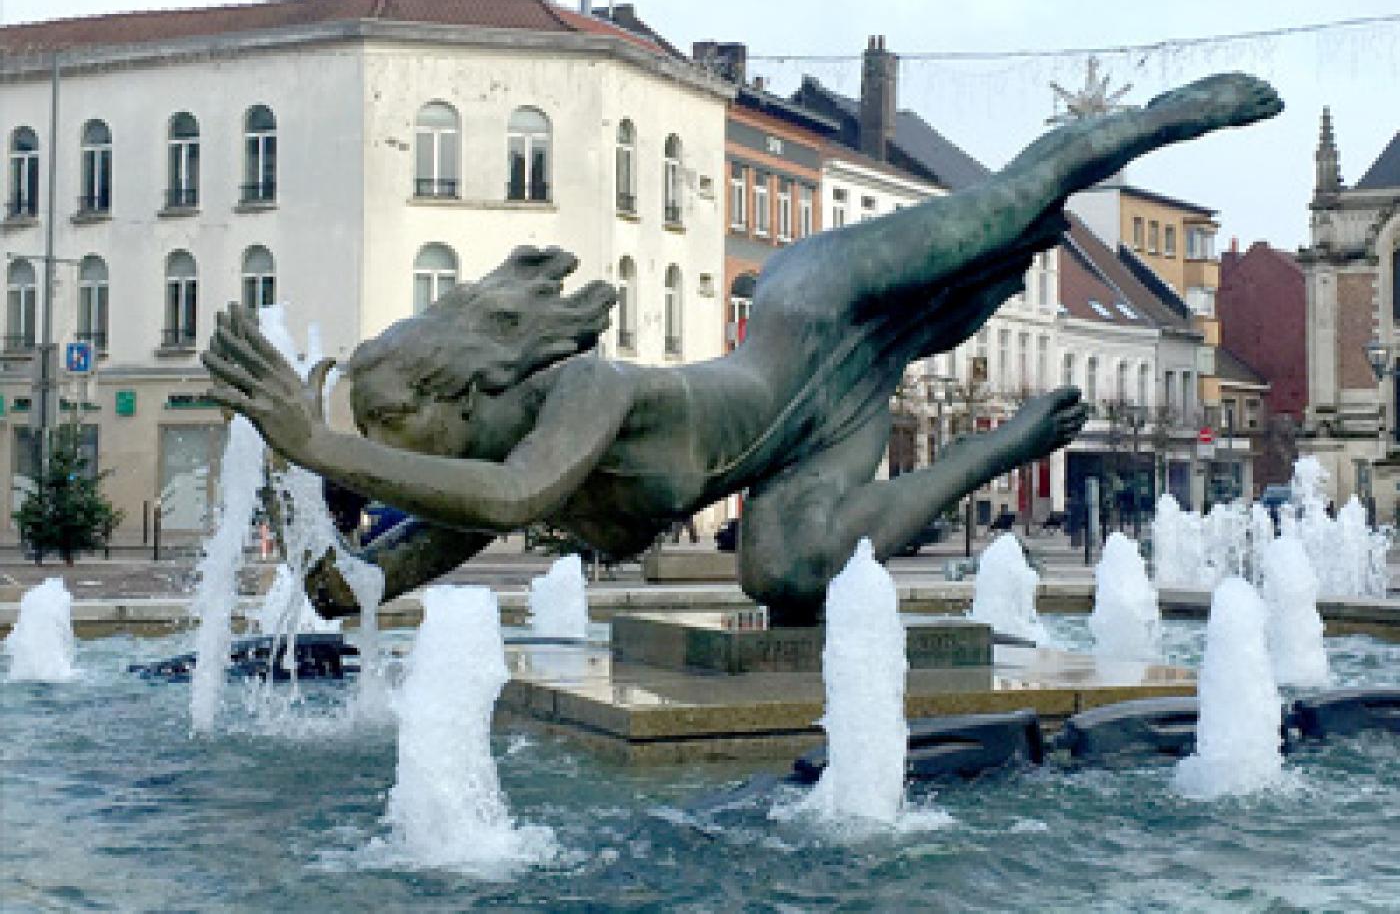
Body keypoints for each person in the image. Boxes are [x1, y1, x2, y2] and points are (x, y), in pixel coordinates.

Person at [203, 73, 1281, 625]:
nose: (399, 451)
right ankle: (991, 450)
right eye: (385, 435)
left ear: (461, 392)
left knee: (1001, 209)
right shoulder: (475, 477)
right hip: (813, 443)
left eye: (397, 429)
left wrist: (317, 446)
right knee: (785, 572)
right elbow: (377, 578)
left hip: (805, 315)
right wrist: (323, 543)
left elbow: (523, 498)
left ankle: (1164, 118)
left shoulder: (583, 389)